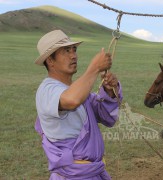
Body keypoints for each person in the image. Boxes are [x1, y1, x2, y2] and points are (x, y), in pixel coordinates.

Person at [34, 29, 122, 180]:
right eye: (66, 51)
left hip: (92, 173)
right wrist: (94, 68)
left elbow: (107, 117)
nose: (73, 55)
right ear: (50, 60)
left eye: (74, 49)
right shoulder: (47, 90)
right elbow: (71, 101)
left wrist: (109, 91)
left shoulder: (77, 90)